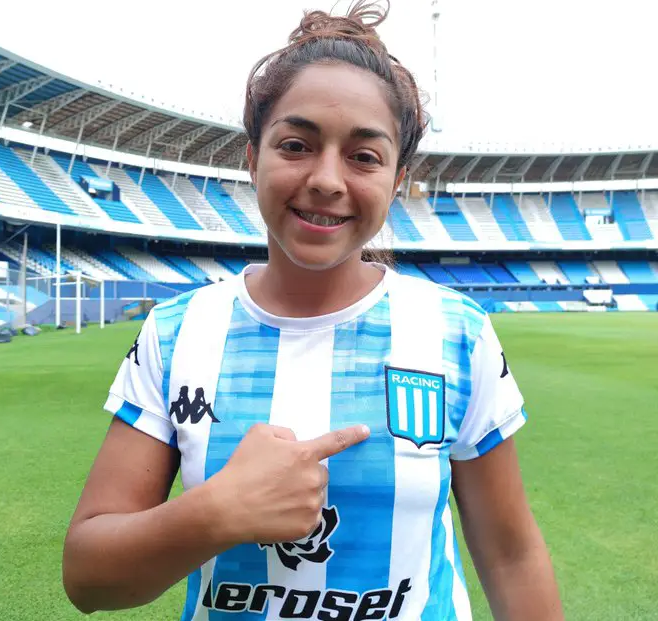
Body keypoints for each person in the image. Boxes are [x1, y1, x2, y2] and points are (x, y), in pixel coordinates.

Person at [63, 2, 564, 619]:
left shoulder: (455, 333)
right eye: (297, 145)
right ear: (252, 158)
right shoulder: (178, 332)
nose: (328, 179)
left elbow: (511, 555)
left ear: (398, 177)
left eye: (364, 156)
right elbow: (88, 578)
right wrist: (216, 513)